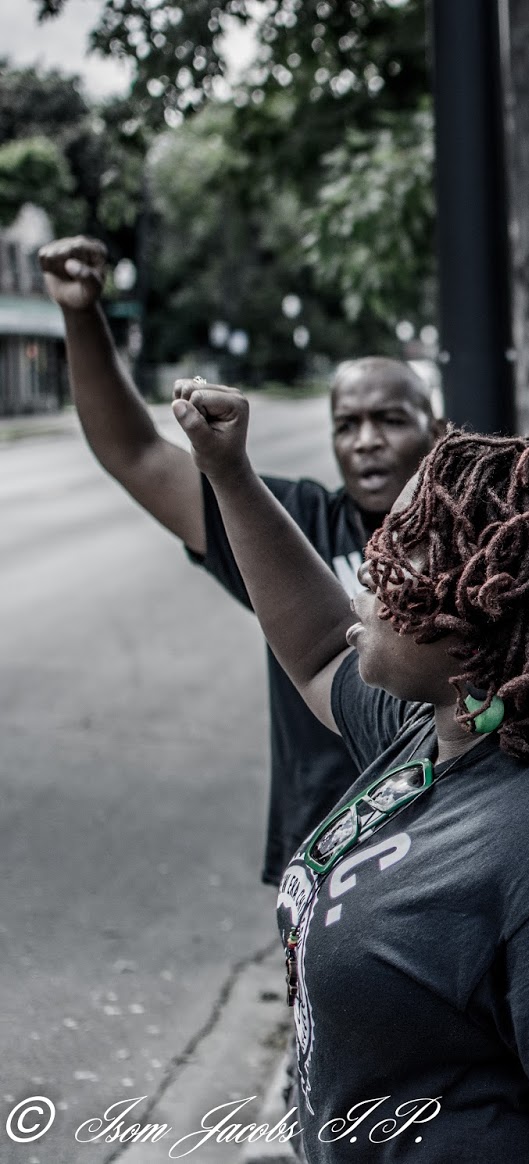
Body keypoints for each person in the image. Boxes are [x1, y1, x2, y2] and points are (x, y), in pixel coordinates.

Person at [168, 378, 529, 1163]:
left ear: (482, 600)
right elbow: (319, 647)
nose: (371, 564)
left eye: (404, 542)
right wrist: (230, 474)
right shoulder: (441, 730)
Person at [39, 236, 443, 885]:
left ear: (437, 431)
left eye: (390, 420)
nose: (366, 442)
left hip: (448, 842)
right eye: (347, 424)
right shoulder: (289, 527)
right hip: (330, 849)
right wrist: (82, 316)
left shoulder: (479, 547)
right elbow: (136, 454)